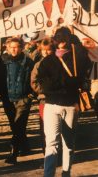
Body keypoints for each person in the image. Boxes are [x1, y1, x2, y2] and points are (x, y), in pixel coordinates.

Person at [37, 27, 91, 177]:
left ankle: (66, 173)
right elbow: (43, 85)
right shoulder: (47, 61)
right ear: (54, 40)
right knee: (52, 143)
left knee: (68, 144)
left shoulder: (78, 56)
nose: (61, 41)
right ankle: (49, 175)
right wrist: (67, 83)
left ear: (69, 38)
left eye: (65, 37)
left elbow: (84, 69)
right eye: (58, 38)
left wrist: (62, 85)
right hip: (52, 106)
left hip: (71, 106)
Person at [3, 37, 34, 164]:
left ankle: (13, 153)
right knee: (15, 126)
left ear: (21, 48)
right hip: (9, 99)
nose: (14, 49)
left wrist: (31, 94)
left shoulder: (28, 62)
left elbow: (34, 78)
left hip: (23, 98)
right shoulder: (4, 62)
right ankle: (25, 146)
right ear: (8, 48)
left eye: (16, 47)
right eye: (11, 47)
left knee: (19, 124)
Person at [30, 38, 55, 154]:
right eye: (43, 50)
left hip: (58, 99)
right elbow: (34, 82)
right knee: (45, 126)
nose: (46, 52)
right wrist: (44, 91)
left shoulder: (59, 62)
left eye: (48, 50)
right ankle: (46, 154)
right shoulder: (38, 65)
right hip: (44, 100)